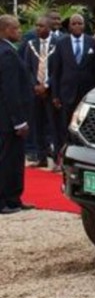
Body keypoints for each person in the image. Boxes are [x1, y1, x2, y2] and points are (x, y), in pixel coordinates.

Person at [50, 14, 95, 165]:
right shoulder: (61, 43)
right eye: (74, 23)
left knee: (86, 124)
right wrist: (55, 95)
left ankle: (86, 156)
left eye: (80, 23)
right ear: (69, 26)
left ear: (84, 25)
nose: (77, 26)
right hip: (67, 92)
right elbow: (56, 71)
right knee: (66, 126)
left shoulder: (92, 42)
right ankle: (64, 156)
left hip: (86, 92)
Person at [0, 15, 34, 214]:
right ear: (5, 30)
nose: (20, 32)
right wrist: (19, 122)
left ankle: (14, 198)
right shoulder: (6, 53)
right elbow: (10, 91)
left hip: (9, 118)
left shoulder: (8, 50)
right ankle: (4, 200)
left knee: (15, 159)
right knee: (7, 160)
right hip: (8, 119)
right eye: (16, 28)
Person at [20, 16, 59, 167]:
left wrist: (47, 85)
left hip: (51, 90)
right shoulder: (31, 44)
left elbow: (58, 69)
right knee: (37, 124)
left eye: (42, 26)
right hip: (35, 90)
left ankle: (56, 159)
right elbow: (27, 68)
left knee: (53, 124)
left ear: (49, 28)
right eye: (37, 26)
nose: (38, 28)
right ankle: (41, 157)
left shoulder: (58, 44)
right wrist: (35, 85)